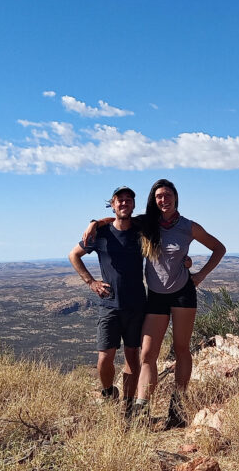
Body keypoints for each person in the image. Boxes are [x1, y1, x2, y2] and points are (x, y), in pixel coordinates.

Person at [85, 178, 225, 428]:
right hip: (156, 296)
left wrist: (200, 275)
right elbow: (118, 218)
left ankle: (178, 407)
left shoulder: (189, 226)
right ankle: (141, 409)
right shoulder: (146, 223)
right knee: (148, 354)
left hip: (183, 294)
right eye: (159, 196)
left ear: (175, 197)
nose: (163, 199)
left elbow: (219, 248)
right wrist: (94, 223)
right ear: (153, 200)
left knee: (181, 349)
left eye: (168, 195)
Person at [68, 186, 146, 413]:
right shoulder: (101, 234)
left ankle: (128, 405)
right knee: (104, 357)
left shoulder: (141, 230)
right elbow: (73, 255)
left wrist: (95, 221)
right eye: (120, 200)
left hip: (136, 304)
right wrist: (91, 282)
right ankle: (108, 391)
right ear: (112, 204)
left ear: (133, 204)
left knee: (132, 355)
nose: (124, 203)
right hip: (109, 304)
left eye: (128, 200)